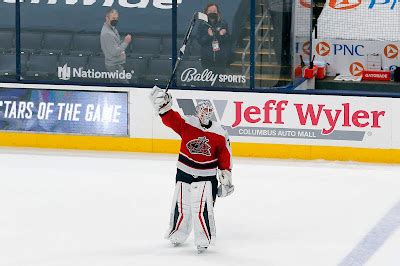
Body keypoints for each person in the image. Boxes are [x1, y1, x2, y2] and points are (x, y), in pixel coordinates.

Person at [149, 86, 234, 253]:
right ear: (197, 111)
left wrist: (226, 174)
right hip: (184, 172)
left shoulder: (220, 132)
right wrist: (163, 108)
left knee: (202, 208)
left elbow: (225, 154)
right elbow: (171, 119)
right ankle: (178, 232)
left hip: (207, 176)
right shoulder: (188, 123)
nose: (205, 113)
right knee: (182, 205)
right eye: (202, 110)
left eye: (208, 110)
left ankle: (203, 238)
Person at [196, 3, 231, 75]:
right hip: (207, 58)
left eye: (214, 11)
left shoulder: (223, 24)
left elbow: (228, 39)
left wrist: (221, 35)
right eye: (210, 11)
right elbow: (200, 40)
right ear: (206, 13)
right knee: (208, 80)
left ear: (218, 12)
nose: (212, 13)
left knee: (220, 81)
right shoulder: (202, 24)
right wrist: (209, 35)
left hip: (221, 58)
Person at [100, 9, 132, 84]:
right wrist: (126, 42)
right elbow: (115, 52)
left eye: (117, 18)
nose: (116, 20)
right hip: (114, 66)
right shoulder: (107, 33)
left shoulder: (113, 29)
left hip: (116, 64)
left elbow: (117, 43)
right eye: (113, 18)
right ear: (107, 18)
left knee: (115, 86)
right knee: (125, 85)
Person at [265, 0, 292, 71]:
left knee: (283, 35)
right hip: (278, 8)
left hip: (285, 8)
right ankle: (283, 60)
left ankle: (284, 59)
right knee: (280, 35)